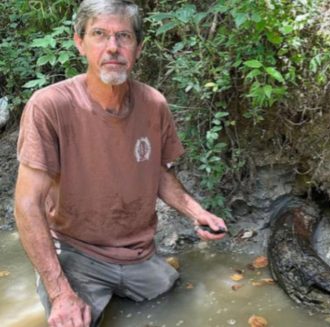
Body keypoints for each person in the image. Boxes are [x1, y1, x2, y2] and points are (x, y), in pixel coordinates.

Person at [14, 1, 228, 326]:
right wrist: (60, 293)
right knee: (74, 320)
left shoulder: (153, 104)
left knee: (173, 298)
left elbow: (159, 173)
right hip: (76, 251)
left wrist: (198, 214)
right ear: (79, 42)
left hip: (137, 253)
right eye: (100, 34)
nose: (113, 47)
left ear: (138, 48)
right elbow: (27, 204)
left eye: (124, 36)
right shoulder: (50, 106)